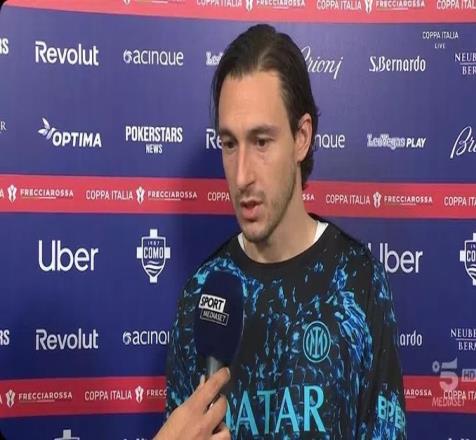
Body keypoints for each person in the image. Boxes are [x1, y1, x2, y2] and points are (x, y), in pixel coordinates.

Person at [155, 24, 407, 439]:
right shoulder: (202, 292)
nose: (241, 176)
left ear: (301, 137)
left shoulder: (359, 280)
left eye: (261, 141)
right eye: (230, 144)